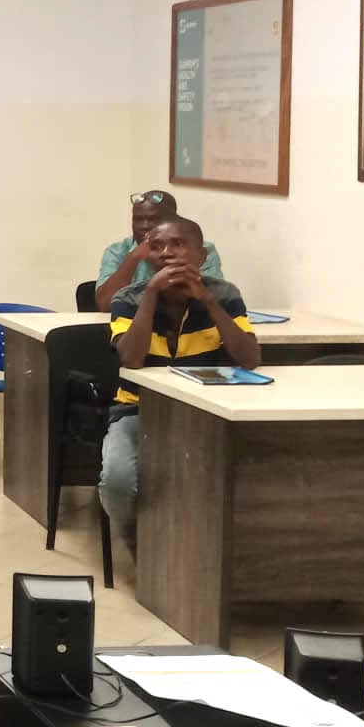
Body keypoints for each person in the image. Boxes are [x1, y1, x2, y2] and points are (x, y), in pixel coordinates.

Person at [101, 215, 259, 549]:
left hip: (204, 412)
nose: (167, 253)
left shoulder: (224, 294)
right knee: (117, 482)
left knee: (228, 478)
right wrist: (151, 295)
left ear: (202, 255)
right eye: (157, 247)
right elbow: (131, 358)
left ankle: (191, 543)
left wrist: (209, 301)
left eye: (178, 244)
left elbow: (249, 359)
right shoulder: (129, 298)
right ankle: (136, 539)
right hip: (137, 410)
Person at [94, 190, 224, 313]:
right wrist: (133, 258)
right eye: (138, 219)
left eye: (154, 219)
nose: (144, 226)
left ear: (174, 220)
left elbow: (214, 302)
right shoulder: (118, 251)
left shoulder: (198, 250)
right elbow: (105, 305)